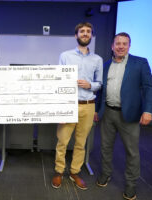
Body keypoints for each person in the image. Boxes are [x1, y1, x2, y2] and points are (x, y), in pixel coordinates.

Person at [95, 32, 152, 200]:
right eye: (118, 43)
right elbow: (101, 90)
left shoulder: (140, 63)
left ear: (129, 46)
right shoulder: (105, 65)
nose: (121, 46)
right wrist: (97, 110)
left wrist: (148, 110)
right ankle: (105, 174)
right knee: (105, 148)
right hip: (107, 113)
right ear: (112, 46)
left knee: (132, 152)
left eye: (124, 43)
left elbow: (148, 88)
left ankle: (130, 184)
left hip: (130, 115)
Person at [51, 22, 103, 190]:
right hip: (68, 104)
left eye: (88, 31)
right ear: (76, 35)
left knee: (81, 143)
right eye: (82, 31)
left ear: (91, 35)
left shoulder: (98, 59)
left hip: (88, 106)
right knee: (62, 141)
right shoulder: (65, 56)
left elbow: (99, 83)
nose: (85, 34)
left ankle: (75, 172)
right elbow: (58, 78)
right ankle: (59, 171)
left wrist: (89, 85)